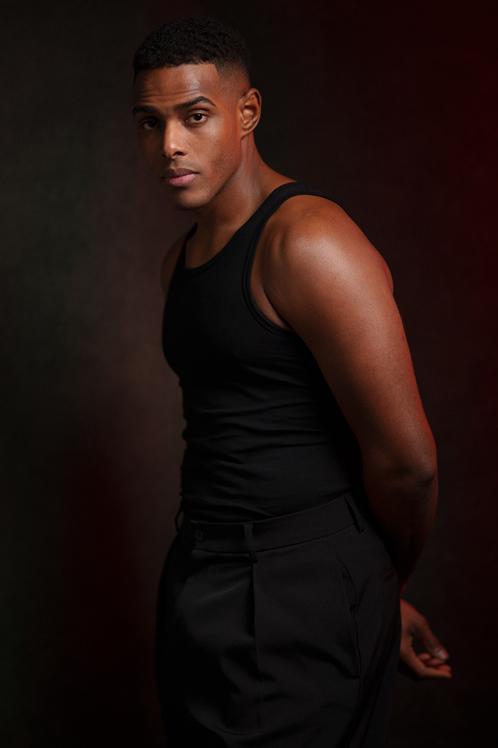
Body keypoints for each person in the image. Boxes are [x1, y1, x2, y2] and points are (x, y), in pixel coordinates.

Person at [132, 17, 451, 747]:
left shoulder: (307, 241)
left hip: (296, 596)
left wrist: (380, 588)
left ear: (247, 112)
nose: (170, 143)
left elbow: (409, 465)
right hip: (198, 582)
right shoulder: (177, 264)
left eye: (195, 116)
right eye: (150, 123)